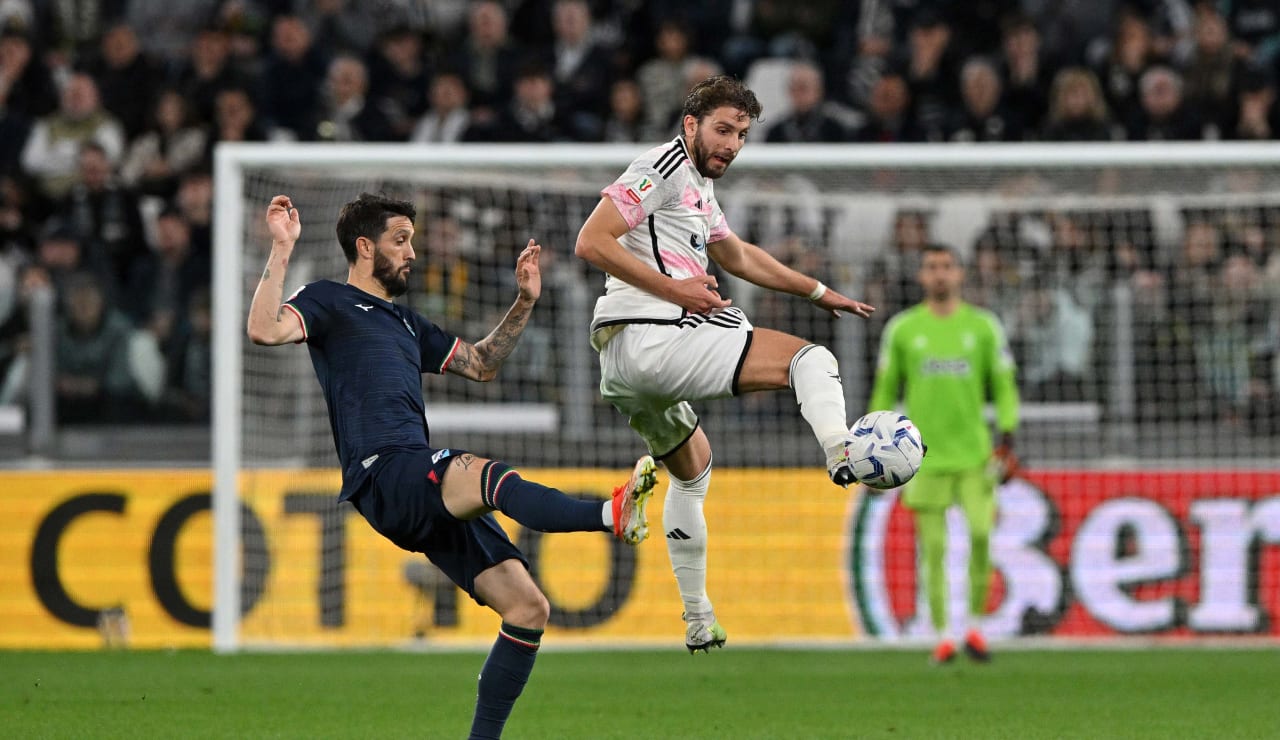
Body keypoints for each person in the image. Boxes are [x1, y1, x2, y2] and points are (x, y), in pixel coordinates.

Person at [247, 192, 656, 739]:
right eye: (401, 240)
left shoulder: (408, 324)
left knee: (528, 607)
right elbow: (265, 329)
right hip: (383, 473)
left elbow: (482, 364)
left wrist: (525, 301)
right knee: (481, 474)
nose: (412, 251)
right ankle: (609, 515)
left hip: (415, 481)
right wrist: (282, 247)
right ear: (365, 247)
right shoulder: (326, 300)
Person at [574, 75, 874, 653]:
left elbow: (735, 254)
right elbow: (591, 241)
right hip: (657, 334)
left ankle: (696, 617)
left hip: (625, 368)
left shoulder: (696, 185)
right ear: (690, 124)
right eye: (722, 129)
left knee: (694, 470)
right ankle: (842, 451)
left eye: (741, 134)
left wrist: (817, 291)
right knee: (810, 360)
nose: (732, 144)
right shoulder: (660, 166)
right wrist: (674, 290)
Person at [867, 244, 1021, 665]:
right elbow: (885, 389)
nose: (940, 274)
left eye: (947, 267)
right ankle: (942, 636)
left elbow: (1004, 385)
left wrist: (1009, 435)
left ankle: (974, 626)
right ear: (921, 276)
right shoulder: (903, 329)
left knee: (981, 534)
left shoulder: (983, 326)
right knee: (932, 548)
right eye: (932, 267)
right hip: (924, 458)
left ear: (960, 274)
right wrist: (874, 448)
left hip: (975, 455)